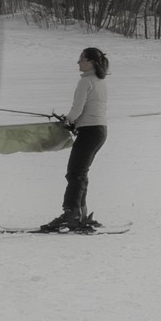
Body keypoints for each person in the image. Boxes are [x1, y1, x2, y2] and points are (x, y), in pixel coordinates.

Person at [41, 47, 110, 233]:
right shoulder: (100, 81)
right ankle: (81, 214)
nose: (78, 62)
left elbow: (77, 109)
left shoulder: (85, 81)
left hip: (89, 132)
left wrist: (68, 120)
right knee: (80, 173)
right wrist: (73, 121)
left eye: (81, 59)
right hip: (99, 131)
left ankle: (70, 215)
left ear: (92, 62)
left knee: (75, 173)